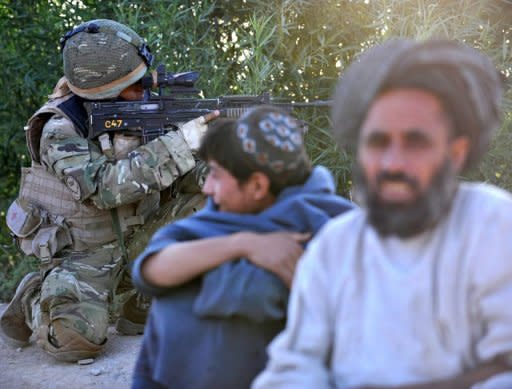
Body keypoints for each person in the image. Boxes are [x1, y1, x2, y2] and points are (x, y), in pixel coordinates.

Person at [252, 39, 512, 389]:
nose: (392, 163)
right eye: (377, 143)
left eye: (415, 142)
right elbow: (294, 366)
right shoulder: (336, 246)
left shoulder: (493, 226)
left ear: (456, 153)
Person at [1, 19, 216, 362]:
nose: (146, 88)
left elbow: (181, 179)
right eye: (136, 83)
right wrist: (182, 143)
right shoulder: (59, 129)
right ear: (105, 90)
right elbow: (103, 187)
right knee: (73, 340)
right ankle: (35, 297)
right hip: (85, 255)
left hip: (142, 239)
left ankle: (143, 303)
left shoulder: (147, 111)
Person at [130, 106, 354, 389]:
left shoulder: (337, 230)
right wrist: (243, 245)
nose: (207, 188)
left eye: (215, 174)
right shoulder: (212, 220)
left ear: (258, 186)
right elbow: (150, 271)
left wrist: (205, 275)